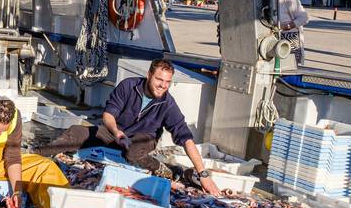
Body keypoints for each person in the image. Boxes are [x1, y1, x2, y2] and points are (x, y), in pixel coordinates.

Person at [37, 59, 222, 194]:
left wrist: (203, 173)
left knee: (133, 152)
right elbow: (109, 114)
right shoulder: (129, 86)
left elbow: (186, 138)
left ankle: (164, 170)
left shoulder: (167, 104)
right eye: (159, 80)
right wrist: (117, 132)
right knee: (75, 132)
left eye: (167, 82)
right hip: (116, 132)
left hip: (143, 139)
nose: (163, 86)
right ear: (149, 75)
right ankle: (37, 155)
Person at [278, 0, 310, 68]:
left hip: (289, 39)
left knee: (287, 70)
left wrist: (286, 26)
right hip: (273, 39)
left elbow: (304, 18)